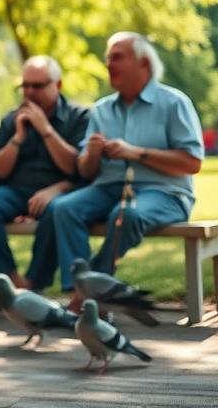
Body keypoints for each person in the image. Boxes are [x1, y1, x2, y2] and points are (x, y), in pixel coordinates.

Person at [52, 32, 203, 295]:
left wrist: (136, 152)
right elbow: (86, 171)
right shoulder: (101, 109)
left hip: (165, 193)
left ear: (144, 63)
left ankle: (89, 288)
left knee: (126, 215)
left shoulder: (174, 102)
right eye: (108, 58)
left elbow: (191, 162)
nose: (109, 64)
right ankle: (81, 288)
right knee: (64, 208)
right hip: (108, 189)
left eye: (117, 57)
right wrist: (92, 154)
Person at [0, 56, 90, 290]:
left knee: (58, 210)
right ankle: (9, 282)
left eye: (37, 86)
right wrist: (16, 139)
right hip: (16, 192)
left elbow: (78, 170)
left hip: (59, 192)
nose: (29, 92)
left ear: (58, 85)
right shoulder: (12, 119)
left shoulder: (79, 118)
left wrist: (45, 129)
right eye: (25, 86)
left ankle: (33, 283)